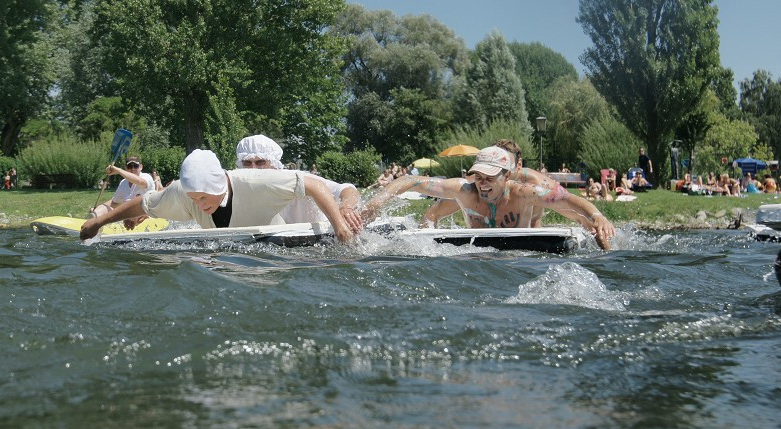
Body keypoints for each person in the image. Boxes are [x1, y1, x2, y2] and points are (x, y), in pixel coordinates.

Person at [362, 145, 615, 250]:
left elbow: (568, 203)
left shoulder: (526, 193)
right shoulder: (465, 190)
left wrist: (597, 217)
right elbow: (410, 181)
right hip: (476, 261)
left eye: (490, 178)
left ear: (507, 176)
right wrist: (375, 203)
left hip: (520, 258)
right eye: (478, 177)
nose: (482, 184)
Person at [79, 149, 355, 243]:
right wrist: (97, 224)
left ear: (220, 184)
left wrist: (340, 227)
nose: (199, 205)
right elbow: (145, 203)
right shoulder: (183, 193)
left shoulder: (258, 182)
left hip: (278, 253)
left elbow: (312, 185)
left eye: (204, 198)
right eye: (194, 198)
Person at [234, 135, 362, 232]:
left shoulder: (295, 178)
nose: (253, 168)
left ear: (273, 164)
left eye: (260, 162)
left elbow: (347, 189)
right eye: (247, 163)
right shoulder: (240, 186)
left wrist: (346, 207)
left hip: (319, 237)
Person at [91, 155, 156, 225]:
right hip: (128, 215)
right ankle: (92, 221)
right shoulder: (123, 183)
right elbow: (114, 203)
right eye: (129, 166)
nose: (132, 169)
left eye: (135, 166)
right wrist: (99, 208)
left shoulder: (146, 177)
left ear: (141, 167)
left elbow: (141, 182)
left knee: (136, 213)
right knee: (102, 209)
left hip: (146, 216)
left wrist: (118, 170)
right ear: (126, 168)